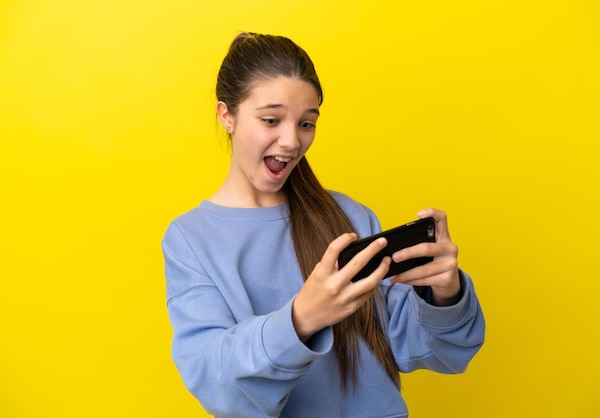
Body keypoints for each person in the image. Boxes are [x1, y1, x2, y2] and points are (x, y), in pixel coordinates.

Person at [162, 32, 485, 418]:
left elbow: (430, 349)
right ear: (226, 115)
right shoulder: (191, 240)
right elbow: (216, 384)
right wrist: (301, 318)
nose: (291, 141)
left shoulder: (348, 217)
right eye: (271, 119)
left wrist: (445, 295)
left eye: (306, 124)